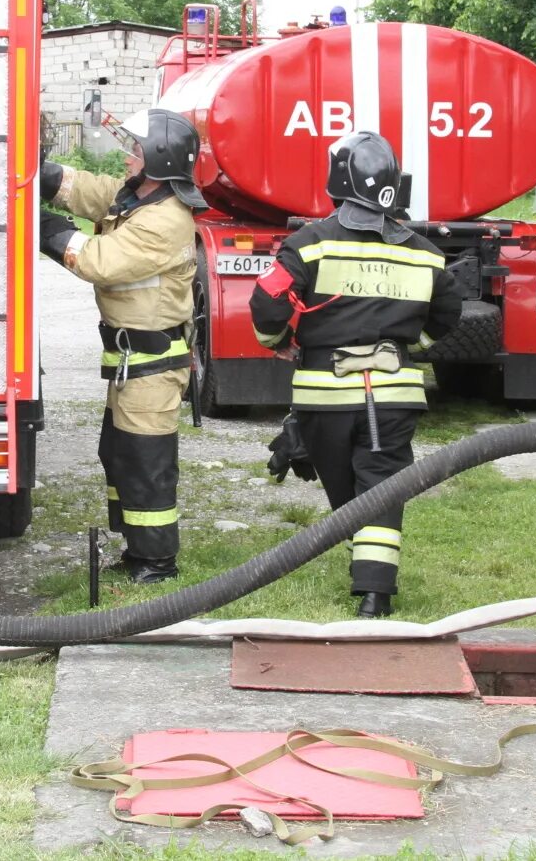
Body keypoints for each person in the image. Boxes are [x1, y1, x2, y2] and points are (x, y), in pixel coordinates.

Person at [249, 132, 461, 617]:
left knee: (346, 489)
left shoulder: (309, 245)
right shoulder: (425, 253)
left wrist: (279, 342)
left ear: (336, 179)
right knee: (383, 485)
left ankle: (370, 581)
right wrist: (411, 347)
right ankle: (375, 591)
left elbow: (266, 299)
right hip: (394, 391)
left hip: (325, 396)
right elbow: (449, 310)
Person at [39, 110, 203, 584]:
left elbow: (97, 261)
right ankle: (136, 549)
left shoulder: (165, 221)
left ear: (156, 159)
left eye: (136, 151)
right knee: (118, 453)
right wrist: (36, 177)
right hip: (134, 363)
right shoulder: (138, 199)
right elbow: (88, 189)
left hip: (153, 365)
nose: (128, 157)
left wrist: (37, 222)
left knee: (146, 464)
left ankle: (158, 562)